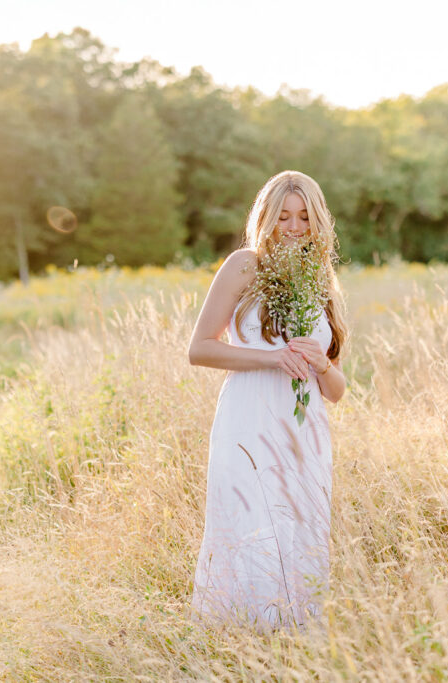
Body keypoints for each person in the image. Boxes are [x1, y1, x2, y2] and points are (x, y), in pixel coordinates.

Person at [186, 170, 349, 632]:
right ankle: (238, 641)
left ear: (318, 222)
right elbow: (199, 348)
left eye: (304, 217)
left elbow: (336, 391)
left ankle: (292, 644)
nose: (294, 227)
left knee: (299, 529)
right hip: (249, 418)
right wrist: (272, 357)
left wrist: (320, 365)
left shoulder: (322, 281)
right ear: (266, 218)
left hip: (305, 429)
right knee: (252, 524)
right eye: (283, 217)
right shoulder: (244, 265)